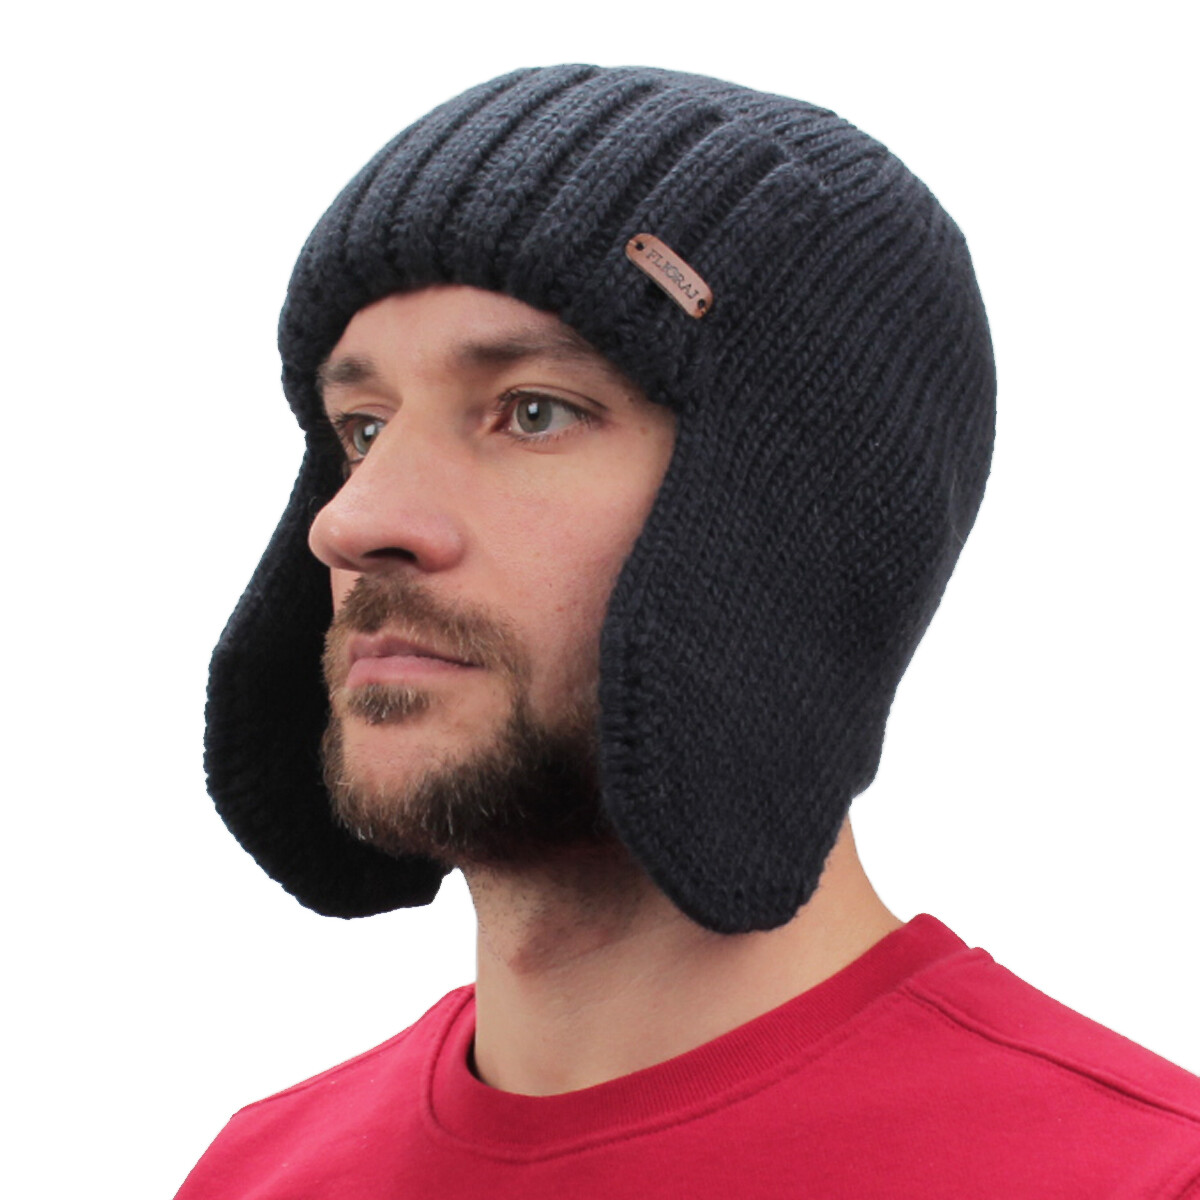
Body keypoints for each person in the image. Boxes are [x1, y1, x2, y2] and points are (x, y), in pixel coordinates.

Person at [180, 65, 1200, 1197]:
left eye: (532, 413)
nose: (352, 522)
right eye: (363, 428)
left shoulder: (1141, 1176)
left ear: (793, 526)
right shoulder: (253, 1173)